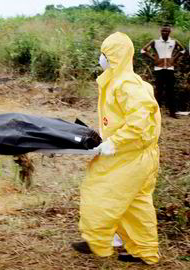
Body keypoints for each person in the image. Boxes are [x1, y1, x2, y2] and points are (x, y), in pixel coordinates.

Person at [72, 32, 161, 265]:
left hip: (129, 155)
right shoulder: (115, 81)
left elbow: (140, 122)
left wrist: (115, 141)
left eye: (105, 53)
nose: (101, 57)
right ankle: (141, 250)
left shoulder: (128, 85)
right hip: (132, 154)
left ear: (115, 55)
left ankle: (98, 238)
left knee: (100, 192)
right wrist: (105, 138)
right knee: (135, 205)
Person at [141, 25, 185, 118]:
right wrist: (154, 59)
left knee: (171, 91)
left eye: (167, 31)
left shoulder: (174, 42)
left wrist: (174, 59)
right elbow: (143, 50)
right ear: (160, 32)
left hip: (169, 69)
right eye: (163, 31)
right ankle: (156, 113)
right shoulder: (155, 42)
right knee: (158, 91)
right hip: (159, 69)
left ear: (170, 32)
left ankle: (172, 113)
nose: (165, 32)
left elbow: (183, 50)